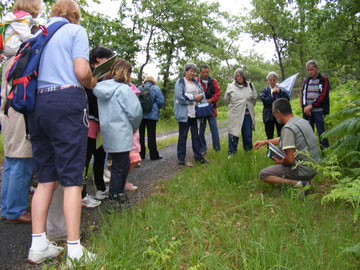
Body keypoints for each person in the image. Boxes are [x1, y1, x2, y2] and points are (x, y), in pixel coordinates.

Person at [27, 0, 98, 266]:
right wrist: (92, 80)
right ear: (75, 16)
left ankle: (38, 244)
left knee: (46, 178)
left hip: (37, 106)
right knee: (72, 180)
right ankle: (74, 251)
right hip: (66, 103)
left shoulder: (38, 34)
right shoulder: (74, 31)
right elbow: (81, 71)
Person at [0, 0, 43, 223]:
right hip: (17, 111)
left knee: (10, 159)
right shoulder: (20, 51)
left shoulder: (8, 52)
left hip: (7, 111)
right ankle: (15, 210)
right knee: (22, 158)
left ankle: (6, 208)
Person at [93, 58, 142, 207]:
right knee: (121, 166)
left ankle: (117, 194)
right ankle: (114, 198)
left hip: (108, 132)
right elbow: (135, 112)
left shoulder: (101, 88)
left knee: (120, 163)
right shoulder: (125, 89)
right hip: (122, 132)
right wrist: (134, 126)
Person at [254, 98, 320, 188]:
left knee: (264, 174)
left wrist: (280, 162)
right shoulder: (302, 121)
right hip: (314, 167)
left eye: (274, 114)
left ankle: (300, 184)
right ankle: (304, 180)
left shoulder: (288, 129)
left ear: (278, 113)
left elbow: (289, 160)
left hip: (303, 171)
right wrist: (265, 142)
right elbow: (284, 138)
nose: (274, 117)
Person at [82, 46, 114, 207]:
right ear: (98, 59)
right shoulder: (87, 72)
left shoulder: (104, 76)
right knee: (85, 158)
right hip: (88, 120)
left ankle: (100, 188)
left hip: (100, 121)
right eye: (107, 59)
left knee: (100, 155)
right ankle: (81, 195)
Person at [174, 62, 208, 166]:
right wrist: (194, 98)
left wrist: (199, 98)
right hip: (184, 114)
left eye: (194, 71)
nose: (193, 73)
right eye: (191, 71)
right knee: (183, 136)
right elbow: (180, 97)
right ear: (186, 71)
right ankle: (181, 158)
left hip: (195, 113)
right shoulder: (180, 82)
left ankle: (198, 157)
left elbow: (202, 94)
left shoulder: (196, 83)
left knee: (196, 136)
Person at [224, 68, 257, 157]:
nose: (239, 77)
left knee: (247, 135)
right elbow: (226, 100)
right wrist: (234, 108)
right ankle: (232, 153)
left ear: (244, 75)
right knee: (233, 134)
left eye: (241, 75)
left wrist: (247, 106)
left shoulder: (250, 85)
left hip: (247, 115)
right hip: (235, 115)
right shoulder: (231, 87)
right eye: (237, 76)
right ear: (235, 77)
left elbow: (254, 98)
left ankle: (248, 152)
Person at [301, 60, 330, 149]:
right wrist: (305, 108)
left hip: (319, 111)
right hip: (308, 112)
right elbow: (303, 95)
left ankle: (325, 153)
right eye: (308, 70)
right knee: (309, 134)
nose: (310, 72)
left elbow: (323, 96)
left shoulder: (323, 80)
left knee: (322, 133)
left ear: (317, 69)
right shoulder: (306, 81)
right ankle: (312, 154)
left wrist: (312, 105)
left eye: (312, 70)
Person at [196, 64, 221, 153]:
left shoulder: (214, 81)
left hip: (211, 109)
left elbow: (218, 93)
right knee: (201, 130)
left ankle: (217, 148)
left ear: (209, 72)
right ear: (200, 72)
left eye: (207, 72)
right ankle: (203, 148)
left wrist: (211, 100)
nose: (205, 74)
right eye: (203, 72)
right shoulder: (196, 81)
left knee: (214, 129)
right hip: (201, 110)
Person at [138, 76, 164, 160]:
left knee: (140, 135)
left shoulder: (139, 88)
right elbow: (161, 101)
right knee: (151, 135)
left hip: (141, 115)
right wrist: (155, 107)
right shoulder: (156, 88)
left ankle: (141, 154)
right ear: (153, 81)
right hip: (152, 115)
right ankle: (153, 155)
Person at [260, 71, 289, 140]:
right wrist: (275, 98)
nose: (272, 82)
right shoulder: (265, 90)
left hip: (279, 115)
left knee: (281, 133)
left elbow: (286, 99)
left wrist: (280, 93)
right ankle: (270, 149)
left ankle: (282, 149)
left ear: (276, 80)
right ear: (268, 80)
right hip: (268, 116)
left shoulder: (281, 90)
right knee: (269, 135)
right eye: (270, 80)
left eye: (274, 80)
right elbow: (264, 100)